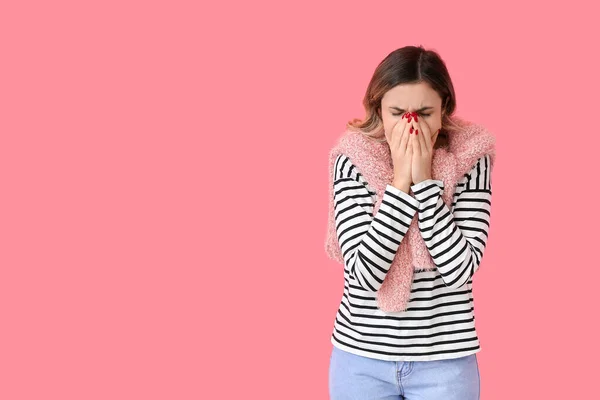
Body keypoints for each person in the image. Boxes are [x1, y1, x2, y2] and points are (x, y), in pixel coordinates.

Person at [325, 45, 496, 400]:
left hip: (446, 362)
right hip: (361, 359)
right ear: (378, 109)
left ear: (445, 108)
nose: (410, 125)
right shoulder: (353, 158)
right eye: (398, 112)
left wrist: (425, 183)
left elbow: (460, 269)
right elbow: (364, 273)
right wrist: (401, 183)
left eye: (424, 112)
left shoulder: (472, 158)